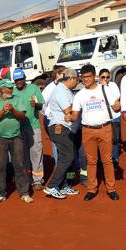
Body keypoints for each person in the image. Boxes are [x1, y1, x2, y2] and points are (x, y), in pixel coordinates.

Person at [71, 64, 121, 201]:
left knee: (107, 160)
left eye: (88, 76)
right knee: (91, 161)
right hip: (88, 130)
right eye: (83, 77)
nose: (86, 79)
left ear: (95, 76)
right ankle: (92, 189)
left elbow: (116, 107)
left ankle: (111, 189)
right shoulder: (80, 94)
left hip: (104, 128)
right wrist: (69, 117)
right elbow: (75, 114)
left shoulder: (105, 90)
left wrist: (118, 106)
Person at [44, 69, 79, 199]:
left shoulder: (66, 90)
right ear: (71, 79)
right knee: (67, 157)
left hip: (66, 129)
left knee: (69, 157)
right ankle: (52, 186)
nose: (77, 82)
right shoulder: (60, 90)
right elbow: (69, 110)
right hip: (59, 128)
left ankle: (65, 185)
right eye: (77, 80)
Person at [12, 69, 45, 190]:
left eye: (20, 79)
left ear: (24, 78)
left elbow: (41, 105)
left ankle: (38, 180)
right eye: (16, 80)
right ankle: (27, 179)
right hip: (18, 128)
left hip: (33, 126)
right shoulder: (12, 91)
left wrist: (35, 105)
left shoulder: (34, 88)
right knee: (22, 155)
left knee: (36, 152)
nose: (18, 82)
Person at [98, 69, 123, 169]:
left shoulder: (113, 85)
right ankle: (103, 159)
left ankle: (115, 159)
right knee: (103, 140)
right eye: (103, 77)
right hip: (103, 118)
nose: (105, 79)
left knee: (115, 140)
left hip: (115, 116)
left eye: (107, 77)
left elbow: (116, 97)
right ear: (99, 77)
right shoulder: (96, 87)